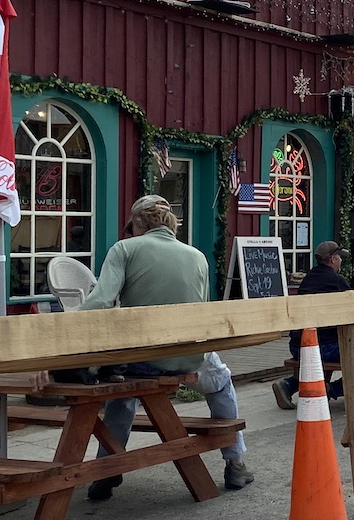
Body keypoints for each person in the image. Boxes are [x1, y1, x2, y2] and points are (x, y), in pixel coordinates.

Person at [77, 198, 253, 499]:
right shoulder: (198, 256)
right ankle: (234, 461)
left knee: (122, 396)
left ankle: (107, 469)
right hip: (189, 356)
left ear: (140, 224)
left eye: (131, 226)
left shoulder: (125, 248)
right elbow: (203, 309)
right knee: (221, 382)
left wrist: (66, 332)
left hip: (141, 358)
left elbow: (101, 301)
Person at [272, 240, 352, 409]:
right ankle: (329, 389)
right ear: (332, 260)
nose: (341, 261)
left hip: (297, 344)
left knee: (323, 348)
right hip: (321, 346)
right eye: (339, 257)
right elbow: (352, 312)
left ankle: (290, 384)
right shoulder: (337, 281)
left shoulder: (308, 280)